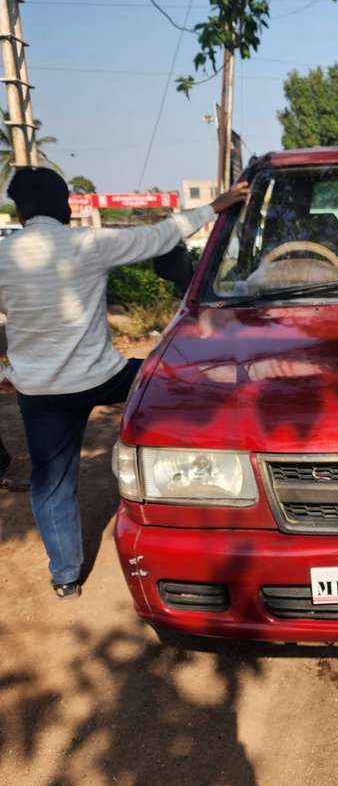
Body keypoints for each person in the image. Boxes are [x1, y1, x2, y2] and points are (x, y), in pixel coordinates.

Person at [0, 167, 248, 598]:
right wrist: (215, 206)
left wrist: (5, 375)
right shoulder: (89, 244)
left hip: (40, 392)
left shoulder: (5, 257)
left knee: (52, 483)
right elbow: (159, 236)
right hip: (103, 377)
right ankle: (215, 464)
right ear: (66, 207)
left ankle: (65, 576)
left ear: (21, 212)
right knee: (175, 372)